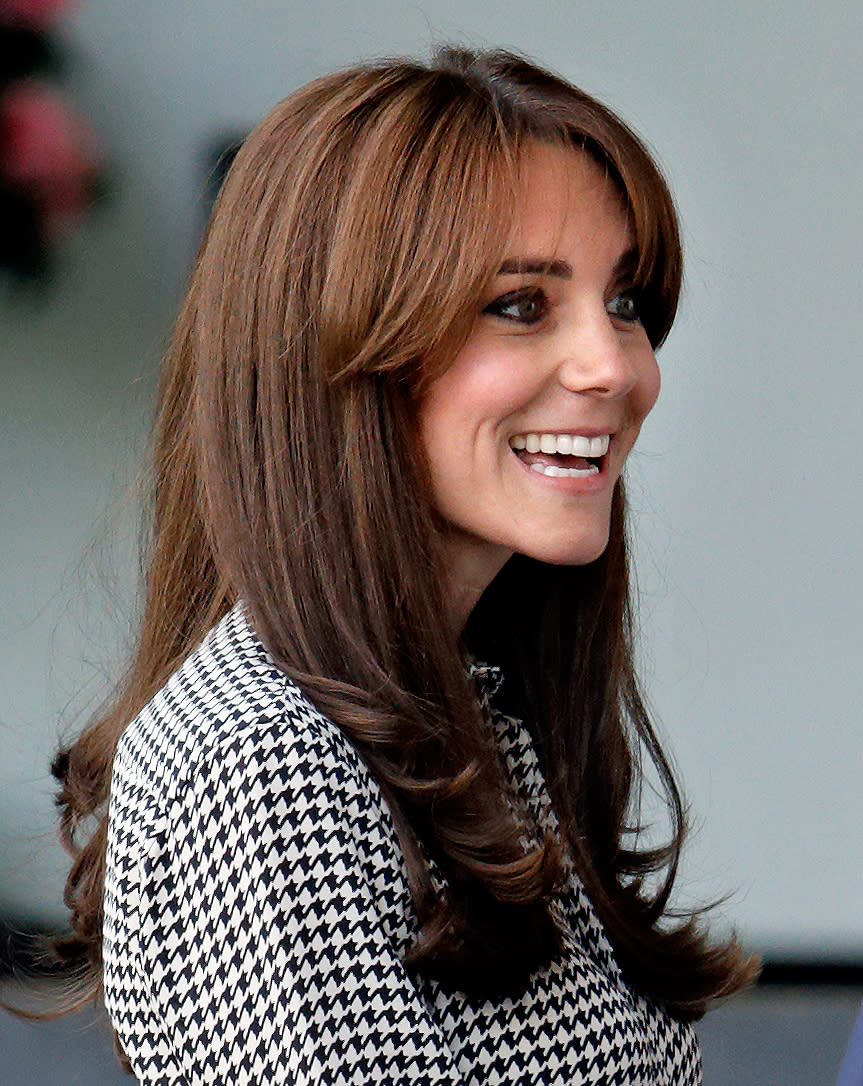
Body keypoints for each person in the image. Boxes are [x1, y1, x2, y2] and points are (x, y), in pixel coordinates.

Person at [52, 46, 757, 1084]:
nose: (617, 366)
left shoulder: (471, 722)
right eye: (520, 304)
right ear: (336, 354)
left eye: (623, 302)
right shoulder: (258, 764)